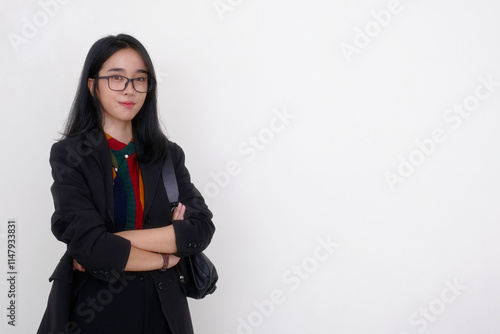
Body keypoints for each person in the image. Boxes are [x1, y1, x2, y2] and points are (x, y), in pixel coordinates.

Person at [37, 34, 215, 334]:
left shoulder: (168, 154)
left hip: (164, 312)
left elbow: (199, 229)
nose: (130, 90)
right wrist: (165, 257)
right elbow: (86, 243)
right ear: (93, 85)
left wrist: (110, 240)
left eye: (140, 79)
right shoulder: (70, 155)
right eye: (117, 78)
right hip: (95, 311)